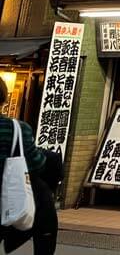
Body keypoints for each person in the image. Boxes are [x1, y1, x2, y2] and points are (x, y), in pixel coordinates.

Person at [0, 80, 60, 255]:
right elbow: (37, 165)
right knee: (44, 206)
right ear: (3, 97)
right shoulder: (18, 129)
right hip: (10, 196)